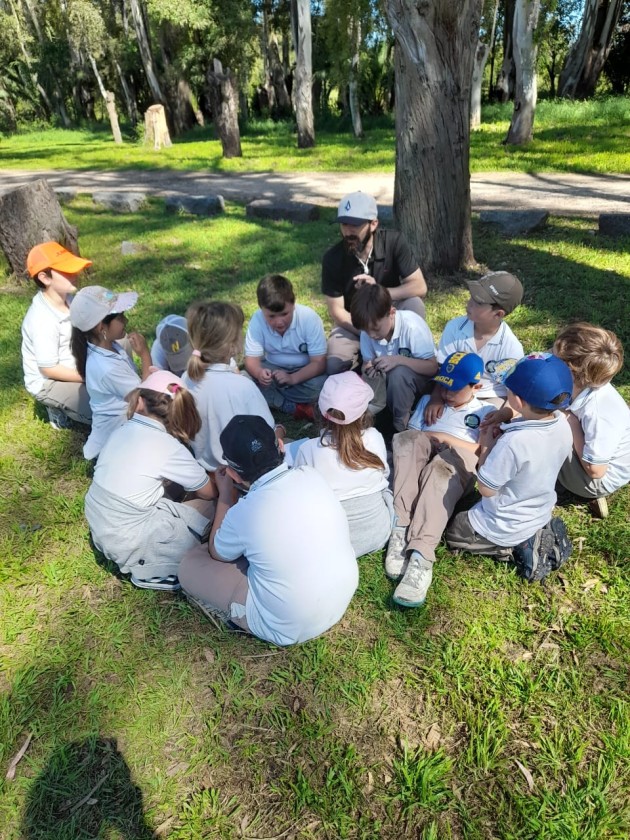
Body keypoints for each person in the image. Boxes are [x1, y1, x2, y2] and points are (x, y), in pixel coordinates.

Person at [179, 415, 359, 646]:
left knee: (190, 564)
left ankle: (241, 614)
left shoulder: (246, 511)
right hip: (341, 595)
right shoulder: (311, 474)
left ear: (233, 474)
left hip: (287, 624)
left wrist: (226, 496)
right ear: (280, 445)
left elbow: (217, 551)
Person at [445, 353, 574, 582]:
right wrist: (505, 416)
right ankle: (541, 531)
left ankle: (516, 547)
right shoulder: (562, 422)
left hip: (505, 522)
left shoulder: (513, 443)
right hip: (538, 508)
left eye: (509, 391)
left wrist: (486, 447)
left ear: (518, 401)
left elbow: (486, 489)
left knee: (455, 532)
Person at [84, 370, 216, 591]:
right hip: (130, 540)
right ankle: (155, 568)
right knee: (212, 505)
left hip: (100, 525)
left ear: (140, 403)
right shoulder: (169, 447)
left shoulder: (121, 430)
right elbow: (208, 492)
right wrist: (219, 482)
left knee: (170, 490)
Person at [385, 352, 496, 607]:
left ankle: (421, 556)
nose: (446, 393)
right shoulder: (429, 401)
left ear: (476, 386)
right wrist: (429, 431)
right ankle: (401, 527)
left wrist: (442, 438)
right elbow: (411, 439)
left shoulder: (487, 411)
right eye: (443, 385)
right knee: (406, 440)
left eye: (454, 389)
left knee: (438, 471)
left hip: (457, 461)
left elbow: (479, 451)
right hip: (425, 452)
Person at [321, 191, 428, 375]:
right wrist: (367, 331)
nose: (348, 231)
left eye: (355, 225)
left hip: (388, 316)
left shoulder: (393, 242)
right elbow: (336, 311)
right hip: (354, 322)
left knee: (414, 303)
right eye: (344, 224)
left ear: (373, 224)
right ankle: (358, 384)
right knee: (334, 364)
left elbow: (419, 286)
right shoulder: (333, 258)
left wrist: (381, 291)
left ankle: (412, 360)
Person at [293, 372, 393, 557]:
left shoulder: (307, 450)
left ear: (320, 411)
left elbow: (302, 493)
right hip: (378, 535)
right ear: (364, 413)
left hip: (333, 541)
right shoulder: (374, 437)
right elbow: (384, 475)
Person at [182, 301, 279, 471]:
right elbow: (268, 436)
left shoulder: (186, 378)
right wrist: (280, 431)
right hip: (245, 473)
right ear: (232, 345)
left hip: (205, 468)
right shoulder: (243, 387)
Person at [425, 272, 524, 424]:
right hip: (451, 390)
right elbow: (442, 369)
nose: (469, 303)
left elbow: (515, 393)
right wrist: (436, 398)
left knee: (484, 430)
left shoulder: (511, 347)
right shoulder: (455, 328)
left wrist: (502, 414)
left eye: (478, 302)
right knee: (431, 419)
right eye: (472, 297)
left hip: (489, 397)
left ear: (498, 314)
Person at [553, 322, 629, 518]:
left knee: (546, 426)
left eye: (554, 360)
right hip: (591, 460)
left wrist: (571, 422)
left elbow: (596, 470)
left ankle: (542, 488)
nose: (549, 361)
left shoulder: (599, 411)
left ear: (572, 372)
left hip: (596, 479)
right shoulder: (583, 384)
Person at [70, 285, 152, 460]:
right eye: (120, 317)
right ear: (102, 327)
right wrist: (145, 355)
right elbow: (145, 399)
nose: (126, 320)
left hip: (122, 426)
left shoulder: (108, 346)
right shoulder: (106, 368)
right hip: (115, 442)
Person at [21, 241, 93, 429]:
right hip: (50, 381)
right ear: (45, 278)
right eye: (66, 271)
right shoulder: (41, 319)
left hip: (75, 364)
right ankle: (54, 405)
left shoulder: (70, 299)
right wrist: (89, 376)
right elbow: (49, 369)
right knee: (101, 410)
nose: (75, 274)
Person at [351, 284, 438, 432]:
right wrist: (369, 369)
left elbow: (432, 367)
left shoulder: (412, 327)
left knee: (399, 373)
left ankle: (400, 427)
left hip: (422, 385)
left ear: (391, 313)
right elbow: (367, 362)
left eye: (376, 329)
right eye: (366, 330)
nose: (371, 335)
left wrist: (398, 360)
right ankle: (371, 420)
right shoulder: (368, 331)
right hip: (389, 388)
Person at [244, 274, 327, 421]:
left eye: (284, 314)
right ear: (261, 309)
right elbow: (251, 360)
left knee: (322, 385)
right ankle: (291, 405)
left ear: (293, 304)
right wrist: (259, 373)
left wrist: (293, 378)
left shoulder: (309, 318)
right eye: (271, 316)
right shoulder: (257, 320)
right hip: (272, 368)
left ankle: (274, 399)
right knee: (244, 380)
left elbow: (319, 363)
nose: (279, 322)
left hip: (304, 371)